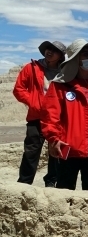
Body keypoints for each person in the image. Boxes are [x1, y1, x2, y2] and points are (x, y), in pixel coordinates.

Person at [41, 39, 88, 190]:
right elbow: (50, 115)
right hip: (68, 146)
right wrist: (54, 139)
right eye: (85, 53)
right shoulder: (60, 84)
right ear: (75, 58)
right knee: (65, 189)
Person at [14, 40, 65, 187]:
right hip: (36, 117)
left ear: (60, 55)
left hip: (58, 118)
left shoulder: (65, 71)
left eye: (54, 50)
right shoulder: (31, 67)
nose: (49, 52)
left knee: (56, 151)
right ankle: (24, 183)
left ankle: (51, 182)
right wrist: (35, 104)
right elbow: (18, 89)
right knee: (31, 152)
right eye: (48, 49)